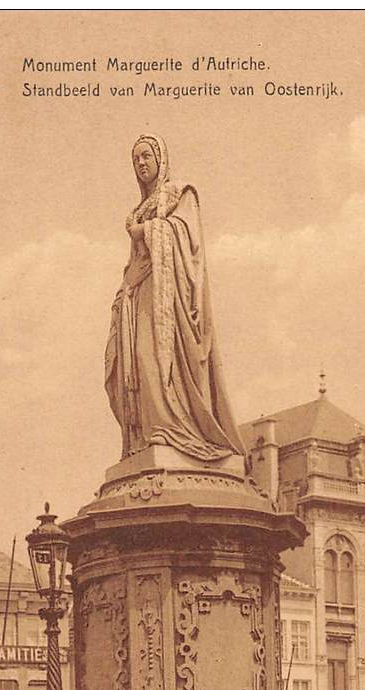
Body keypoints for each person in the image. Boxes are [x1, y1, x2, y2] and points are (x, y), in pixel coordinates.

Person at [104, 135, 245, 462]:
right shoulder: (138, 210)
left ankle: (170, 428)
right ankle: (146, 435)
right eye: (135, 159)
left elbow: (187, 237)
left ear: (160, 159)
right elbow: (134, 259)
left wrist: (145, 231)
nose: (140, 164)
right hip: (137, 294)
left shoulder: (180, 193)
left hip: (166, 296)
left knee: (151, 356)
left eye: (146, 156)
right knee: (134, 364)